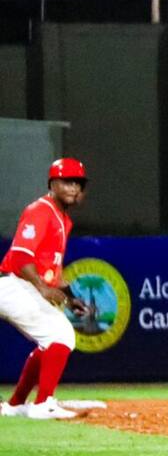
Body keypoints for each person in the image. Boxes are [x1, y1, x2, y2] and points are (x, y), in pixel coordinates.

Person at [0, 158, 89, 419]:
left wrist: (70, 297)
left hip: (20, 285)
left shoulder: (62, 219)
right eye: (67, 181)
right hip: (13, 284)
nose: (73, 187)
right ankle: (43, 404)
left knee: (50, 341)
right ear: (53, 183)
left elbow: (50, 271)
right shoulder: (41, 210)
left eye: (78, 183)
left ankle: (16, 404)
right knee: (61, 334)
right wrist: (42, 288)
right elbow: (20, 256)